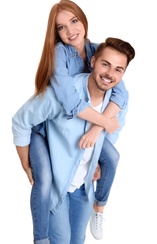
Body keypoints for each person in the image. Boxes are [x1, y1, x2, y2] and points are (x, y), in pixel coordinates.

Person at [12, 37, 135, 244]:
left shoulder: (117, 102)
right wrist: (25, 164)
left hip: (84, 187)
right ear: (93, 62)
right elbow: (21, 121)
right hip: (58, 187)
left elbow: (112, 133)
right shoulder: (63, 96)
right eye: (105, 64)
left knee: (78, 240)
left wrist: (98, 161)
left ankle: (99, 207)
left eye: (118, 69)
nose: (109, 74)